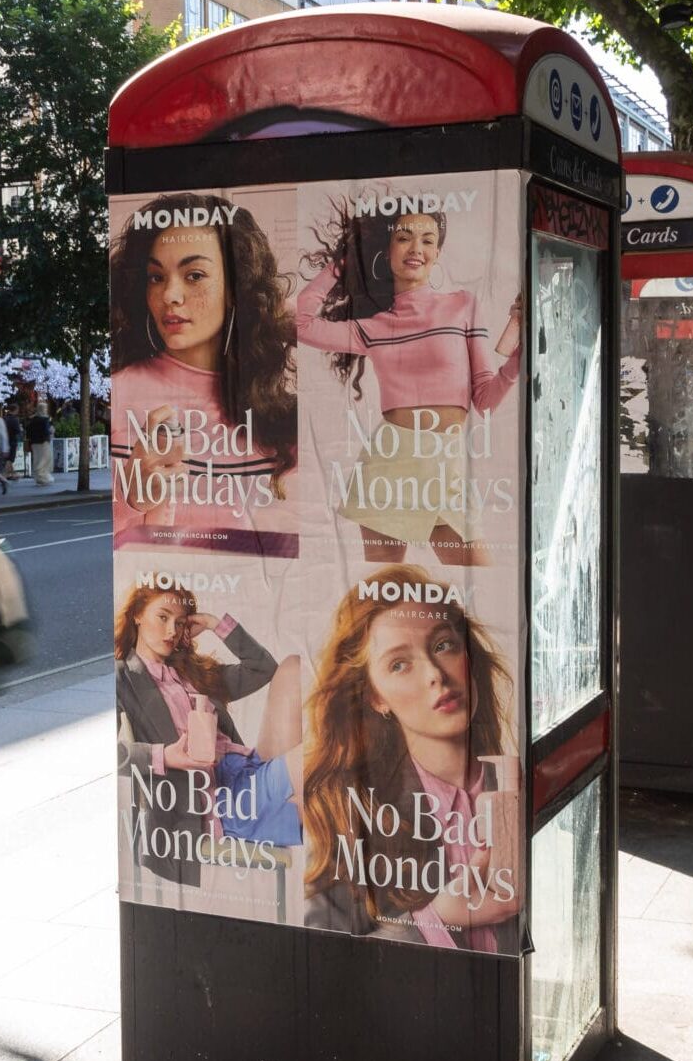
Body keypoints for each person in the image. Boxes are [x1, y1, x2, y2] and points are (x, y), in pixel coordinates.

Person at [302, 565, 522, 951]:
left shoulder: (517, 783)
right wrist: (435, 919)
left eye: (443, 645)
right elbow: (326, 955)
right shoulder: (347, 807)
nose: (435, 675)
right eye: (399, 664)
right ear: (376, 697)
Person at [298, 188, 520, 566]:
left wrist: (520, 354)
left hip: (446, 465)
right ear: (386, 251)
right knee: (386, 593)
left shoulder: (463, 306)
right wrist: (342, 264)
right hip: (390, 463)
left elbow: (485, 399)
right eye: (404, 237)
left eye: (427, 239)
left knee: (482, 586)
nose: (416, 247)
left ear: (437, 254)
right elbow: (301, 323)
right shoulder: (375, 326)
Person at [108, 191, 298, 553]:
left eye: (194, 275)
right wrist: (129, 500)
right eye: (155, 277)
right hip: (158, 599)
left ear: (235, 288)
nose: (170, 296)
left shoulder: (273, 402)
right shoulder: (123, 391)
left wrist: (273, 316)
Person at [114, 583, 302, 894]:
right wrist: (164, 756)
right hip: (217, 796)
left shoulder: (191, 671)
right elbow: (111, 755)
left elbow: (263, 668)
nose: (171, 630)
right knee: (326, 788)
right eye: (162, 617)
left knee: (292, 667)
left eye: (179, 622)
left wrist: (216, 624)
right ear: (136, 615)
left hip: (245, 767)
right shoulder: (122, 677)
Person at [25, 394, 54, 486]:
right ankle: (43, 476)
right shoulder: (45, 419)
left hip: (34, 442)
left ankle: (38, 477)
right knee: (45, 459)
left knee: (37, 459)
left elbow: (28, 431)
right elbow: (46, 431)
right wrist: (50, 432)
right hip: (43, 442)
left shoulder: (33, 420)